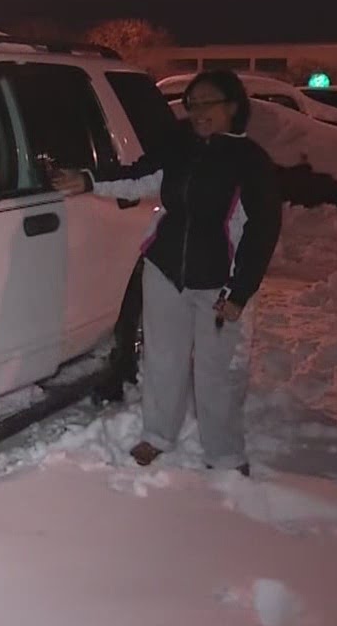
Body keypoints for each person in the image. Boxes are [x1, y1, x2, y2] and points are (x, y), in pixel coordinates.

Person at [51, 70, 282, 476]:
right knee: (162, 360)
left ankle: (225, 454)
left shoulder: (250, 161)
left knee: (217, 371)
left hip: (221, 282)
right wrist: (88, 179)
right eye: (192, 104)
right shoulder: (178, 146)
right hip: (166, 268)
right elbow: (138, 177)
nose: (197, 112)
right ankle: (158, 435)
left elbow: (263, 231)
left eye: (208, 102)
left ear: (232, 106)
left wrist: (240, 291)